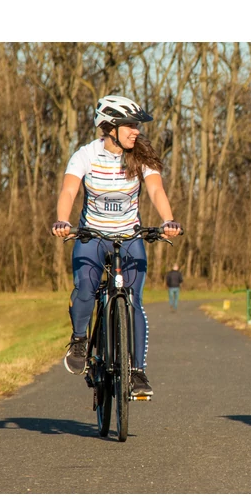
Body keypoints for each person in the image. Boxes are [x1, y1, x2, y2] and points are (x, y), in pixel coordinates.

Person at [51, 95, 182, 397]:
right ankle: (80, 340)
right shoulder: (86, 155)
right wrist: (62, 220)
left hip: (129, 237)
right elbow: (69, 190)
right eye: (130, 125)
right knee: (86, 287)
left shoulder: (141, 157)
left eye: (137, 125)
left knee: (134, 300)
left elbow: (156, 189)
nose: (137, 131)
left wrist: (168, 220)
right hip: (92, 237)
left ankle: (136, 372)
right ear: (110, 128)